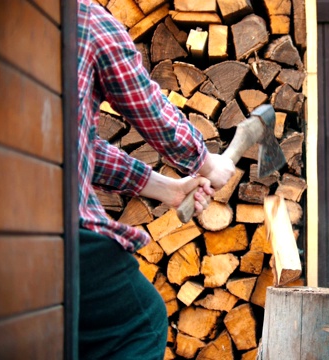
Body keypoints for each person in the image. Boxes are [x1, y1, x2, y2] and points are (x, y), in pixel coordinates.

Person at [76, 0, 236, 358]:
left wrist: (167, 189)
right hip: (55, 232)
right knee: (142, 321)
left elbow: (75, 150)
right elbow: (147, 105)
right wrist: (206, 162)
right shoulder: (81, 17)